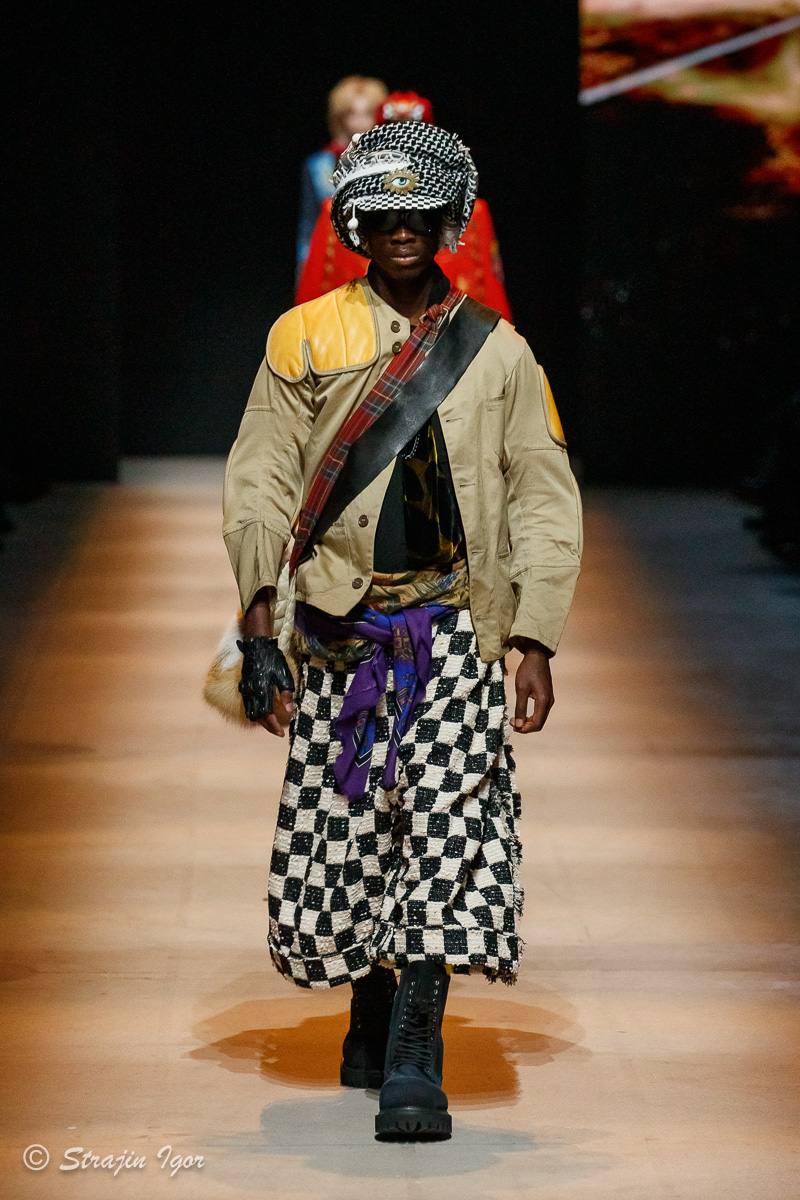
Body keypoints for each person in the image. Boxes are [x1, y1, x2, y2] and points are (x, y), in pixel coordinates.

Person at [223, 121, 582, 1141]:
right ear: (351, 223)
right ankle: (370, 1004)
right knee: (346, 831)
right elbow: (260, 479)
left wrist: (536, 637)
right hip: (341, 626)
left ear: (449, 219)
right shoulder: (303, 337)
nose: (400, 229)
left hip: (456, 624)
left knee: (447, 828)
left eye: (420, 211)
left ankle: (416, 1044)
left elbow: (542, 492)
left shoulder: (499, 351)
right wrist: (258, 623)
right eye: (378, 212)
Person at [295, 92, 513, 321]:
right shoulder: (341, 213)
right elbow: (311, 308)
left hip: (449, 337)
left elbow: (492, 302)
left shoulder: (470, 214)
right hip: (360, 334)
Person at [296, 75, 388, 275]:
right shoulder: (319, 165)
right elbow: (309, 226)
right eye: (351, 114)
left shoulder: (393, 162)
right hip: (335, 263)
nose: (360, 121)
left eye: (368, 113)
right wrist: (304, 272)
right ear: (339, 117)